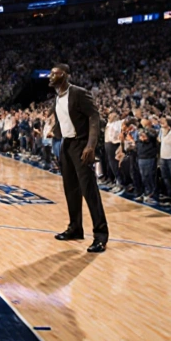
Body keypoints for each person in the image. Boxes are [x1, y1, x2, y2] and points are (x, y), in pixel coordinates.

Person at [47, 64, 109, 253]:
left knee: (89, 190)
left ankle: (100, 235)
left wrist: (91, 145)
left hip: (81, 145)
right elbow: (62, 121)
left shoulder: (79, 93)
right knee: (70, 189)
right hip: (66, 145)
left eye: (53, 73)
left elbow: (94, 117)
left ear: (64, 75)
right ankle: (75, 228)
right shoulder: (57, 97)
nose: (50, 76)